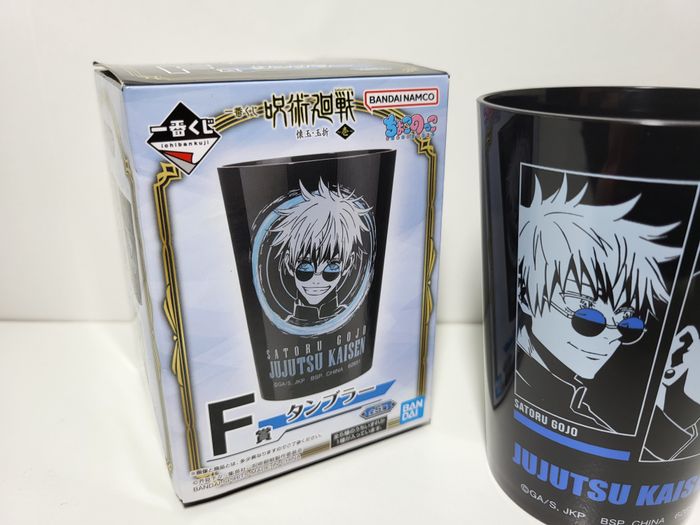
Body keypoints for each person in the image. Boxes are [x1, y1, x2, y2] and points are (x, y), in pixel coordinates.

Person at [516, 176, 681, 433]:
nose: (611, 337)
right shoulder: (520, 383)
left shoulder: (581, 409)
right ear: (525, 294)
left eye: (628, 324)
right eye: (587, 315)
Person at [270, 179, 371, 324]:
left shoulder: (351, 317)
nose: (316, 280)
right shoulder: (286, 325)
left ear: (348, 264)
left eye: (331, 267)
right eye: (305, 268)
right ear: (289, 264)